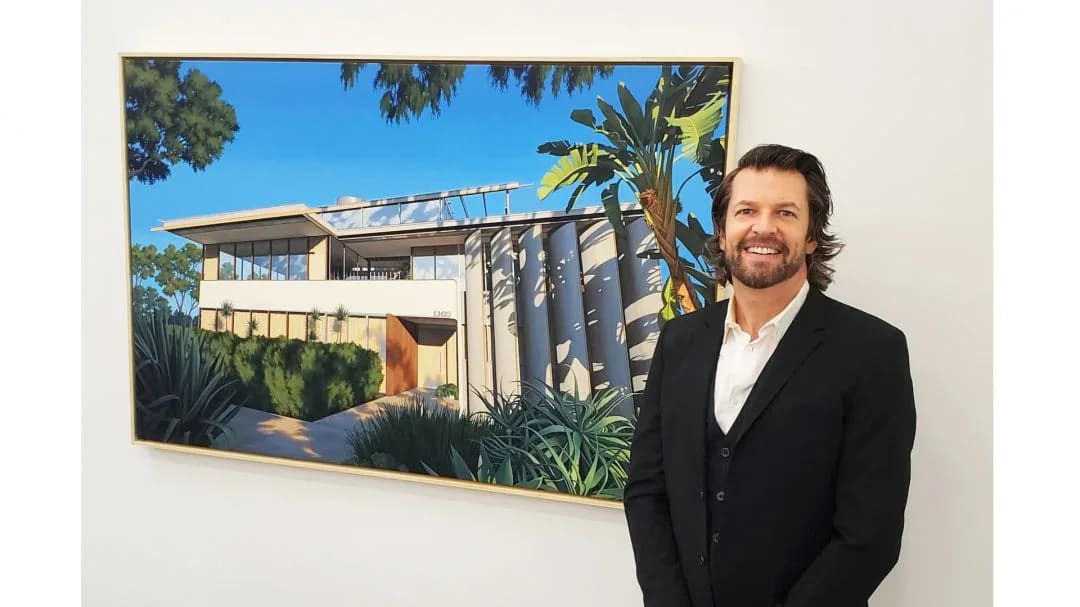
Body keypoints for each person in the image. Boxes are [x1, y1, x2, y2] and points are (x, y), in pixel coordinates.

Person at [624, 144, 917, 607]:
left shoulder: (872, 351)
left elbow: (869, 536)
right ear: (722, 232)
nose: (763, 227)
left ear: (812, 236)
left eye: (785, 212)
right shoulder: (680, 341)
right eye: (746, 211)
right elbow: (646, 489)